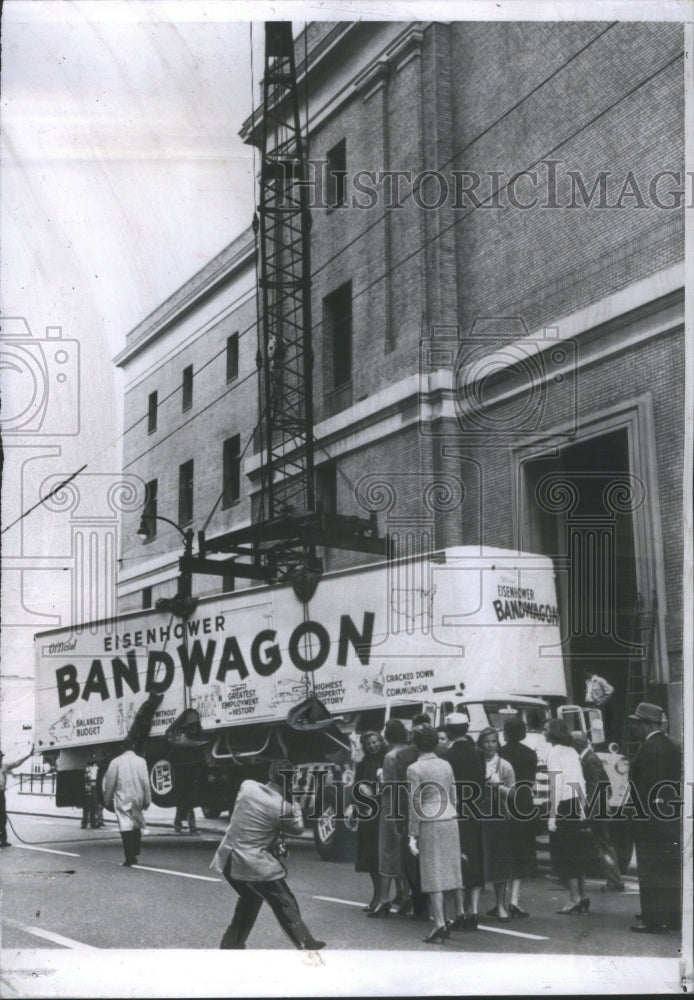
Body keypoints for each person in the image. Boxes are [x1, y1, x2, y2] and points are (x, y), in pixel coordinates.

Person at [210, 758, 325, 950]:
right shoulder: (283, 807)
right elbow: (297, 828)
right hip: (252, 862)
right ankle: (305, 943)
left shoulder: (247, 787)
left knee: (250, 899)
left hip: (228, 858)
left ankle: (231, 943)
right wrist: (294, 802)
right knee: (284, 900)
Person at [407, 725, 465, 943]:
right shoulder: (446, 764)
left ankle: (439, 922)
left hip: (430, 820)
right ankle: (448, 917)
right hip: (450, 818)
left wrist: (413, 834)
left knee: (432, 873)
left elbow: (415, 803)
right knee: (450, 870)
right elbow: (454, 795)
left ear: (416, 744)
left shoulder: (414, 769)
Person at [627, 702, 681, 934]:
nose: (635, 727)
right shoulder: (670, 746)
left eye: (637, 723)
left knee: (650, 869)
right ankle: (670, 916)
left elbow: (645, 787)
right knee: (668, 869)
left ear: (646, 724)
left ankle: (653, 919)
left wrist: (636, 813)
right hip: (668, 816)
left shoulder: (649, 749)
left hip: (650, 819)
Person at [442, 712, 485, 930]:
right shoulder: (478, 754)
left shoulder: (447, 757)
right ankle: (474, 911)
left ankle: (459, 911)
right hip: (475, 812)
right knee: (475, 859)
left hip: (454, 813)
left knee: (457, 861)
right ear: (467, 729)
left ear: (449, 731)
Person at [570, 730, 625, 892]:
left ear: (577, 744)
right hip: (599, 807)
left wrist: (585, 808)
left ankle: (615, 881)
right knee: (602, 844)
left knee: (603, 844)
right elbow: (606, 783)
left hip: (597, 809)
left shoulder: (591, 759)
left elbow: (594, 786)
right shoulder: (590, 758)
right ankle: (614, 879)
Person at [545, 718, 590, 914]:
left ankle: (573, 898)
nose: (543, 732)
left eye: (546, 729)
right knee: (577, 851)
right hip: (575, 804)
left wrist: (552, 816)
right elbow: (580, 782)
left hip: (563, 805)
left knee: (564, 854)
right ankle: (583, 895)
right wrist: (582, 806)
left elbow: (556, 786)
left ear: (553, 732)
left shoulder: (554, 753)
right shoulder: (572, 752)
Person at [498, 718, 538, 917]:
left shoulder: (500, 754)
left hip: (504, 804)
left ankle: (500, 901)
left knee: (503, 851)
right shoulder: (530, 754)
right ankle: (514, 900)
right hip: (523, 804)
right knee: (520, 854)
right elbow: (530, 781)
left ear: (506, 732)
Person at [394, 713, 432, 918]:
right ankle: (417, 900)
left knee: (414, 859)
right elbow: (403, 789)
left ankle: (419, 901)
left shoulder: (406, 757)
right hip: (425, 812)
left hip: (421, 812)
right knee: (414, 860)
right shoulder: (404, 756)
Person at [477, 727, 515, 921]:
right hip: (477, 816)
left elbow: (513, 793)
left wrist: (498, 786)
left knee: (500, 862)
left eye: (493, 741)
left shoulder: (505, 765)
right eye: (486, 741)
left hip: (498, 817)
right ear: (480, 743)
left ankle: (500, 905)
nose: (490, 745)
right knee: (477, 860)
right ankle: (472, 907)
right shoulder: (475, 762)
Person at [373, 719, 410, 915]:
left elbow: (388, 786)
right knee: (405, 854)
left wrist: (379, 782)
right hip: (408, 808)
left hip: (390, 808)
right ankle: (406, 895)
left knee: (387, 852)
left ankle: (384, 899)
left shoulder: (390, 757)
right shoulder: (412, 752)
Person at [102, 739, 151, 867]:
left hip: (122, 798)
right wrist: (147, 799)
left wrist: (106, 800)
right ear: (134, 747)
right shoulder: (141, 761)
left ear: (122, 748)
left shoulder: (115, 762)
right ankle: (136, 849)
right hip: (138, 797)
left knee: (125, 826)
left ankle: (130, 857)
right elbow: (146, 782)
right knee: (136, 822)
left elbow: (109, 783)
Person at [354, 730, 386, 913]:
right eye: (369, 744)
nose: (373, 746)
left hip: (384, 811)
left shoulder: (387, 759)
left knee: (383, 857)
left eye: (375, 742)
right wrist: (362, 795)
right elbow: (356, 788)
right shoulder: (363, 764)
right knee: (370, 857)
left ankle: (384, 897)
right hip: (369, 813)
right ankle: (377, 895)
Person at [0, 746, 34, 847]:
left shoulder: (4, 766)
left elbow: (16, 763)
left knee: (2, 818)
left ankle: (3, 840)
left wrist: (28, 755)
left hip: (1, 794)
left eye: (1, 757)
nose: (1, 759)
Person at [583, 667, 615, 739]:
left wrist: (601, 701)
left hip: (596, 705)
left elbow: (610, 690)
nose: (584, 674)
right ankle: (592, 742)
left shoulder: (600, 680)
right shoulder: (587, 681)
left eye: (585, 672)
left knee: (597, 724)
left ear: (589, 672)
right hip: (589, 705)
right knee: (590, 725)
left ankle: (599, 743)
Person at [81, 753, 100, 829]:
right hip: (88, 786)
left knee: (93, 806)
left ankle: (91, 822)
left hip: (93, 786)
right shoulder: (87, 768)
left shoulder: (96, 767)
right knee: (87, 806)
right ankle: (85, 822)